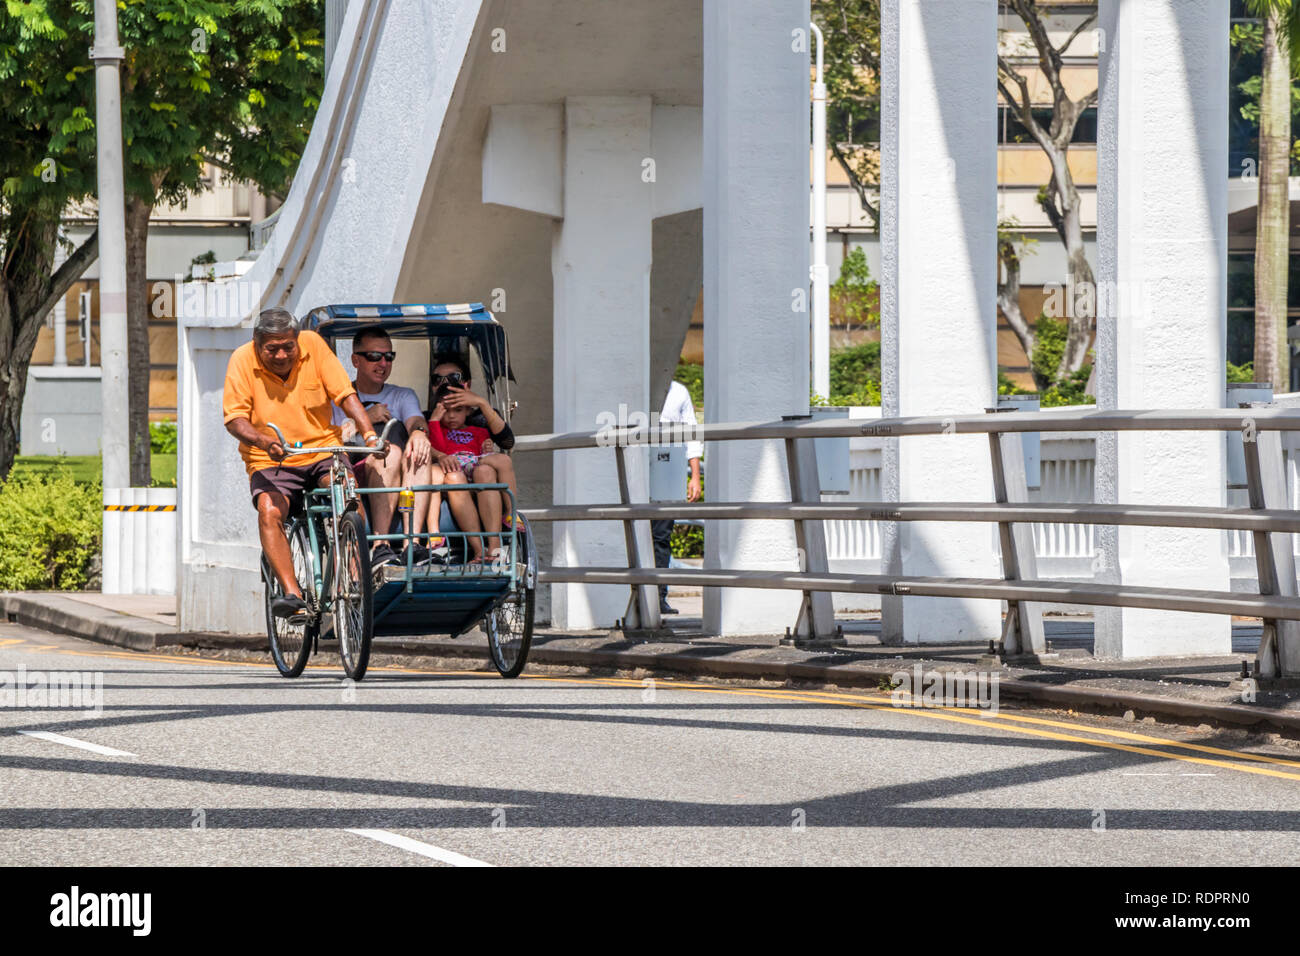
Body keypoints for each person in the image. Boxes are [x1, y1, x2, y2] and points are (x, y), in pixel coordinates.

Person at [223, 308, 378, 622]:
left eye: (288, 346)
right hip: (271, 457)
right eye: (272, 349)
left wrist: (370, 434)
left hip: (321, 449)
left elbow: (345, 395)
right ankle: (292, 595)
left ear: (297, 340)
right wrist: (265, 441)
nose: (281, 354)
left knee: (346, 490)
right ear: (256, 345)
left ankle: (354, 568)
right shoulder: (241, 359)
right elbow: (235, 419)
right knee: (269, 509)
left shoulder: (314, 345)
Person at [332, 328, 438, 566]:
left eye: (389, 357)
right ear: (356, 360)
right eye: (374, 356)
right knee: (389, 453)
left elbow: (415, 419)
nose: (383, 363)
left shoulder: (402, 395)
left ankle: (413, 543)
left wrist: (419, 434)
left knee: (417, 451)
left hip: (401, 471)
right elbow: (331, 439)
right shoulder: (338, 400)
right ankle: (381, 545)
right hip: (356, 471)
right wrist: (365, 417)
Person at [429, 386, 519, 561]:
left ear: (468, 410)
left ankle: (503, 528)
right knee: (455, 476)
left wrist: (486, 448)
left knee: (492, 467)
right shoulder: (439, 429)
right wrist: (434, 421)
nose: (452, 416)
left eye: (458, 410)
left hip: (475, 464)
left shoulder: (478, 430)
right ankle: (478, 549)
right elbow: (438, 448)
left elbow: (483, 450)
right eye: (446, 411)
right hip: (453, 470)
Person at [652, 380, 703, 614]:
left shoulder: (679, 391)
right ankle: (639, 594)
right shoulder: (640, 384)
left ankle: (659, 597)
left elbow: (691, 434)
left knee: (661, 537)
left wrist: (694, 476)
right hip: (642, 471)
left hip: (669, 473)